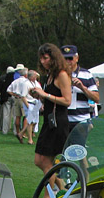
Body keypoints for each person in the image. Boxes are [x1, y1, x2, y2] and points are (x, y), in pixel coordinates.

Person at [31, 42, 73, 179]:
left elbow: (67, 101)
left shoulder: (62, 74)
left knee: (46, 161)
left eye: (46, 58)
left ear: (54, 58)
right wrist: (40, 96)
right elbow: (50, 98)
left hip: (58, 122)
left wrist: (45, 95)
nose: (43, 62)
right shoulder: (50, 75)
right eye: (41, 59)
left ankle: (48, 196)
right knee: (39, 160)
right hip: (49, 121)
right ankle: (61, 189)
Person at [62, 44, 101, 123]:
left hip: (81, 120)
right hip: (63, 120)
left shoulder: (86, 74)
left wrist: (82, 87)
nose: (67, 61)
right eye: (65, 58)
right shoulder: (58, 75)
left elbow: (96, 98)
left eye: (70, 58)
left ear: (77, 58)